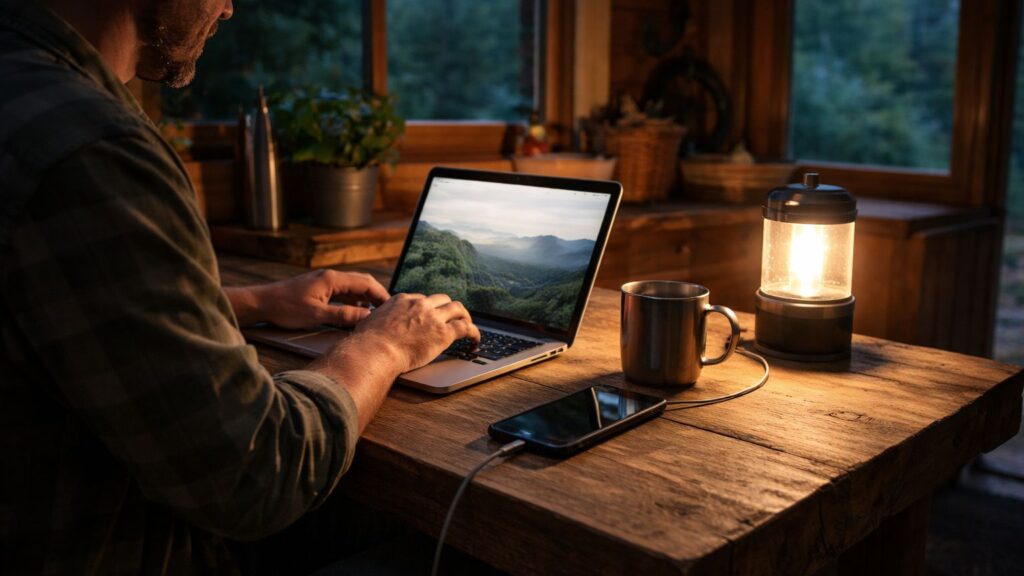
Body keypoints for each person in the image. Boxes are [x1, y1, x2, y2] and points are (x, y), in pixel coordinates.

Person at [0, 0, 480, 573]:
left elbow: (56, 308)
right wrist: (386, 346)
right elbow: (258, 475)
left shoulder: (21, 87)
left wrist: (251, 303)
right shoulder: (95, 148)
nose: (227, 8)